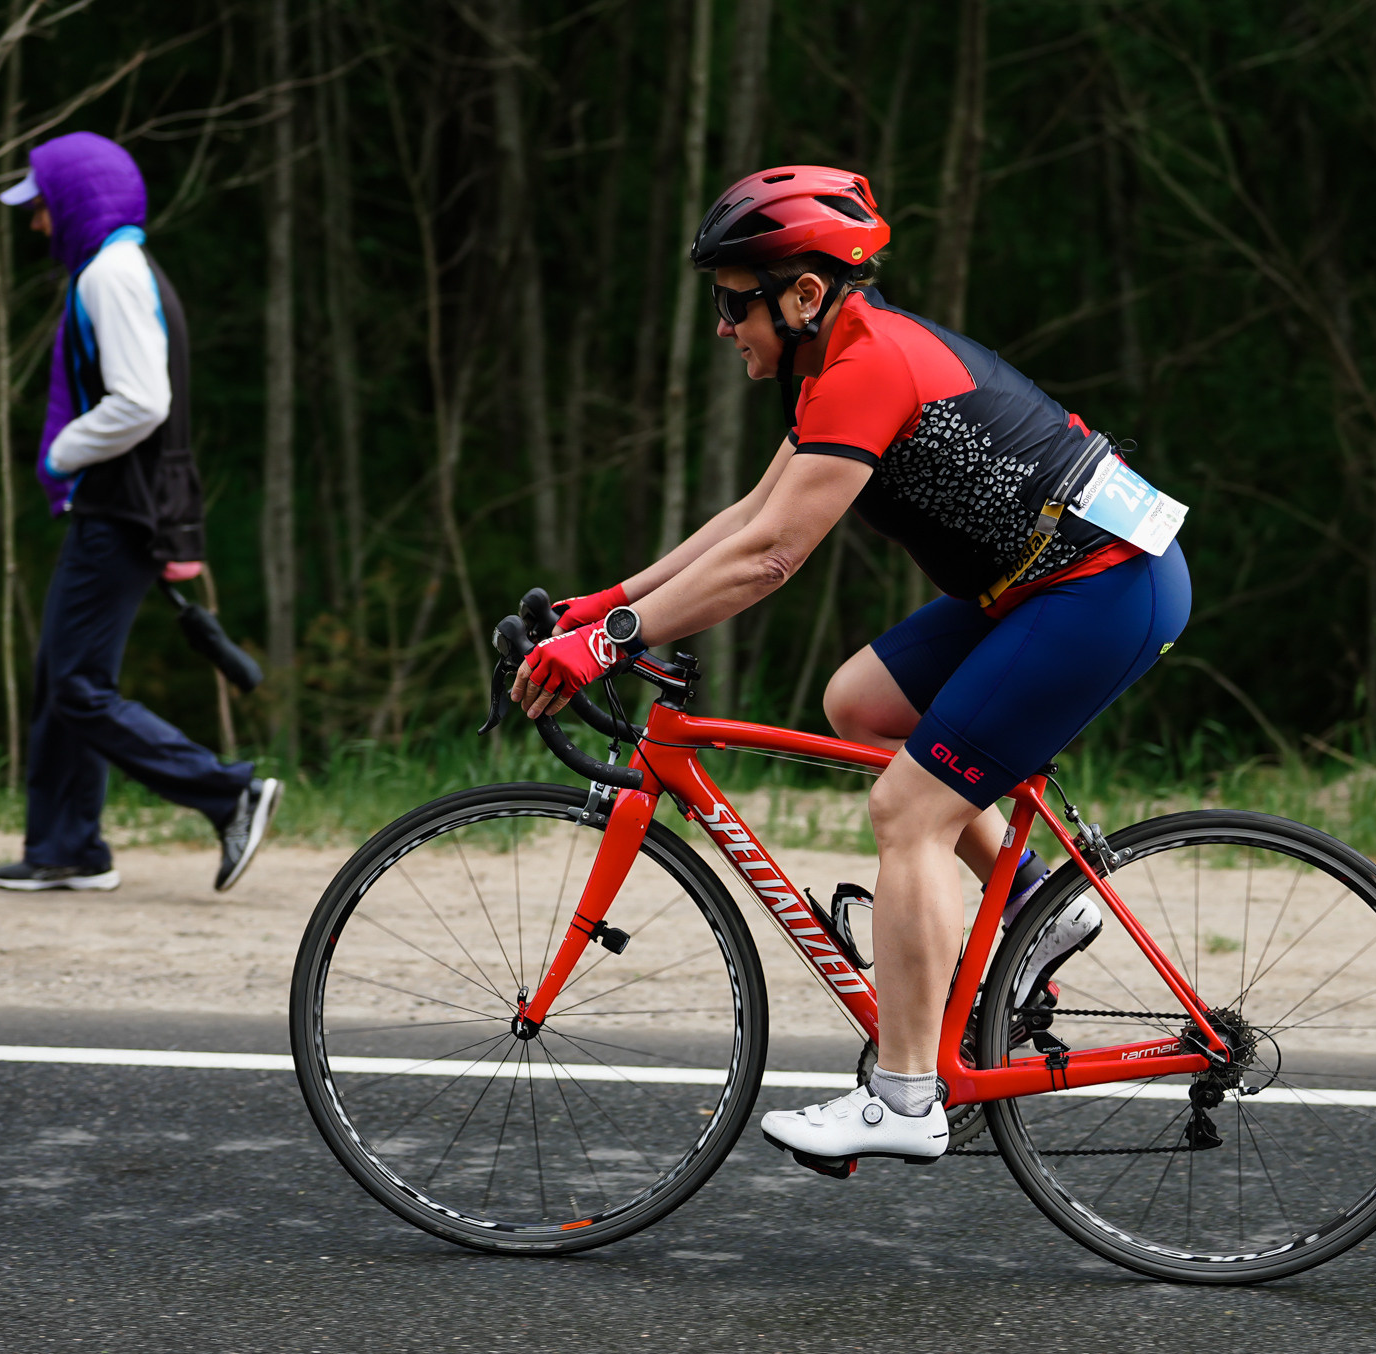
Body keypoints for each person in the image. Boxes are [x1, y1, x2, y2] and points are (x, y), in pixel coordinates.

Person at [511, 166, 1192, 1168]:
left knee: (907, 811)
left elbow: (770, 559)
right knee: (861, 704)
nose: (720, 325)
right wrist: (602, 608)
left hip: (1104, 586)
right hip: (1051, 581)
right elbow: (748, 518)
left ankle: (907, 1097)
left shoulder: (871, 367)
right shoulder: (844, 361)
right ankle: (1041, 902)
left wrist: (606, 647)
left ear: (803, 293)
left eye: (732, 300)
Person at [0, 131, 281, 894]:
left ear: (74, 203)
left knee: (79, 685)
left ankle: (229, 793)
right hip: (126, 505)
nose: (37, 224)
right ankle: (65, 845)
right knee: (65, 672)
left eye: (43, 207)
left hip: (121, 507)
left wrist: (63, 452)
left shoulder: (108, 276)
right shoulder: (118, 268)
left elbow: (142, 402)